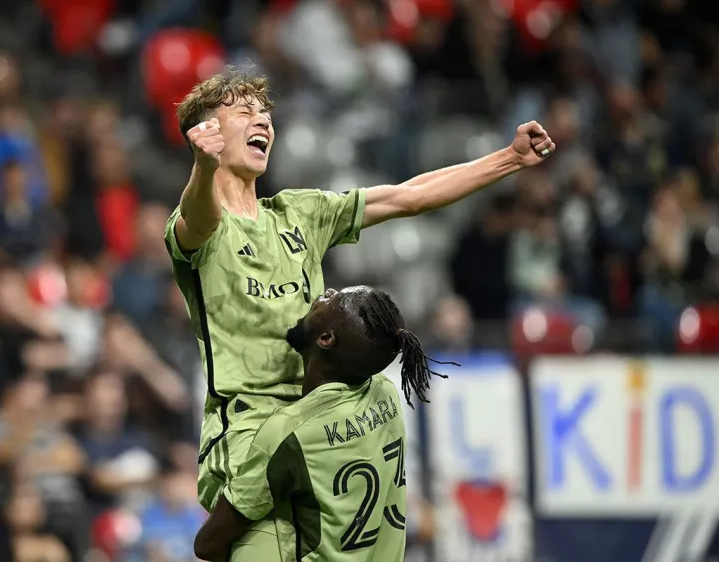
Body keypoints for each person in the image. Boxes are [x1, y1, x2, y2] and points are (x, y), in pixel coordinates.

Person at [165, 66, 554, 514]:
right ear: (207, 130)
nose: (264, 122)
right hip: (246, 435)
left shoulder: (299, 213)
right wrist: (203, 165)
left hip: (318, 426)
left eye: (266, 114)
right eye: (245, 112)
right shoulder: (198, 225)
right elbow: (197, 219)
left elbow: (409, 197)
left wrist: (509, 158)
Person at [193, 286, 449, 561]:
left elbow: (207, 544)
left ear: (326, 339)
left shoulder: (289, 432)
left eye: (331, 299)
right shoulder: (385, 393)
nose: (326, 291)